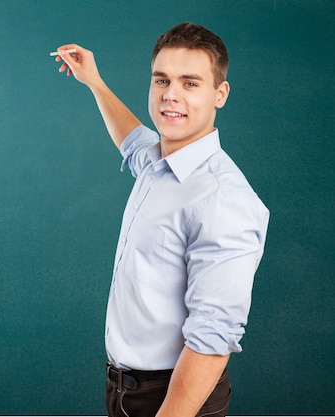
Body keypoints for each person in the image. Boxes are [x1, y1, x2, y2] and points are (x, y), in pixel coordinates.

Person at [53, 23, 269, 417]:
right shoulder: (159, 164)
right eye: (162, 80)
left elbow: (212, 339)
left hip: (174, 399)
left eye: (190, 83)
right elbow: (132, 140)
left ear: (220, 94)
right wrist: (95, 82)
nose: (171, 94)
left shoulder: (223, 198)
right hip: (125, 391)